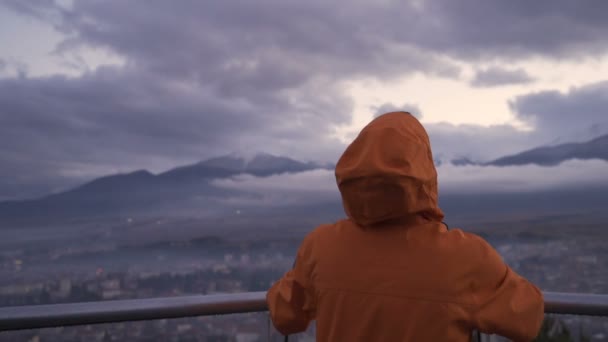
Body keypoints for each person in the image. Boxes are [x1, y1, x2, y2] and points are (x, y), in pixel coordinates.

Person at [266, 111, 544, 341]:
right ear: (425, 174)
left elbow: (285, 315)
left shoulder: (320, 245)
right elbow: (526, 319)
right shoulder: (466, 256)